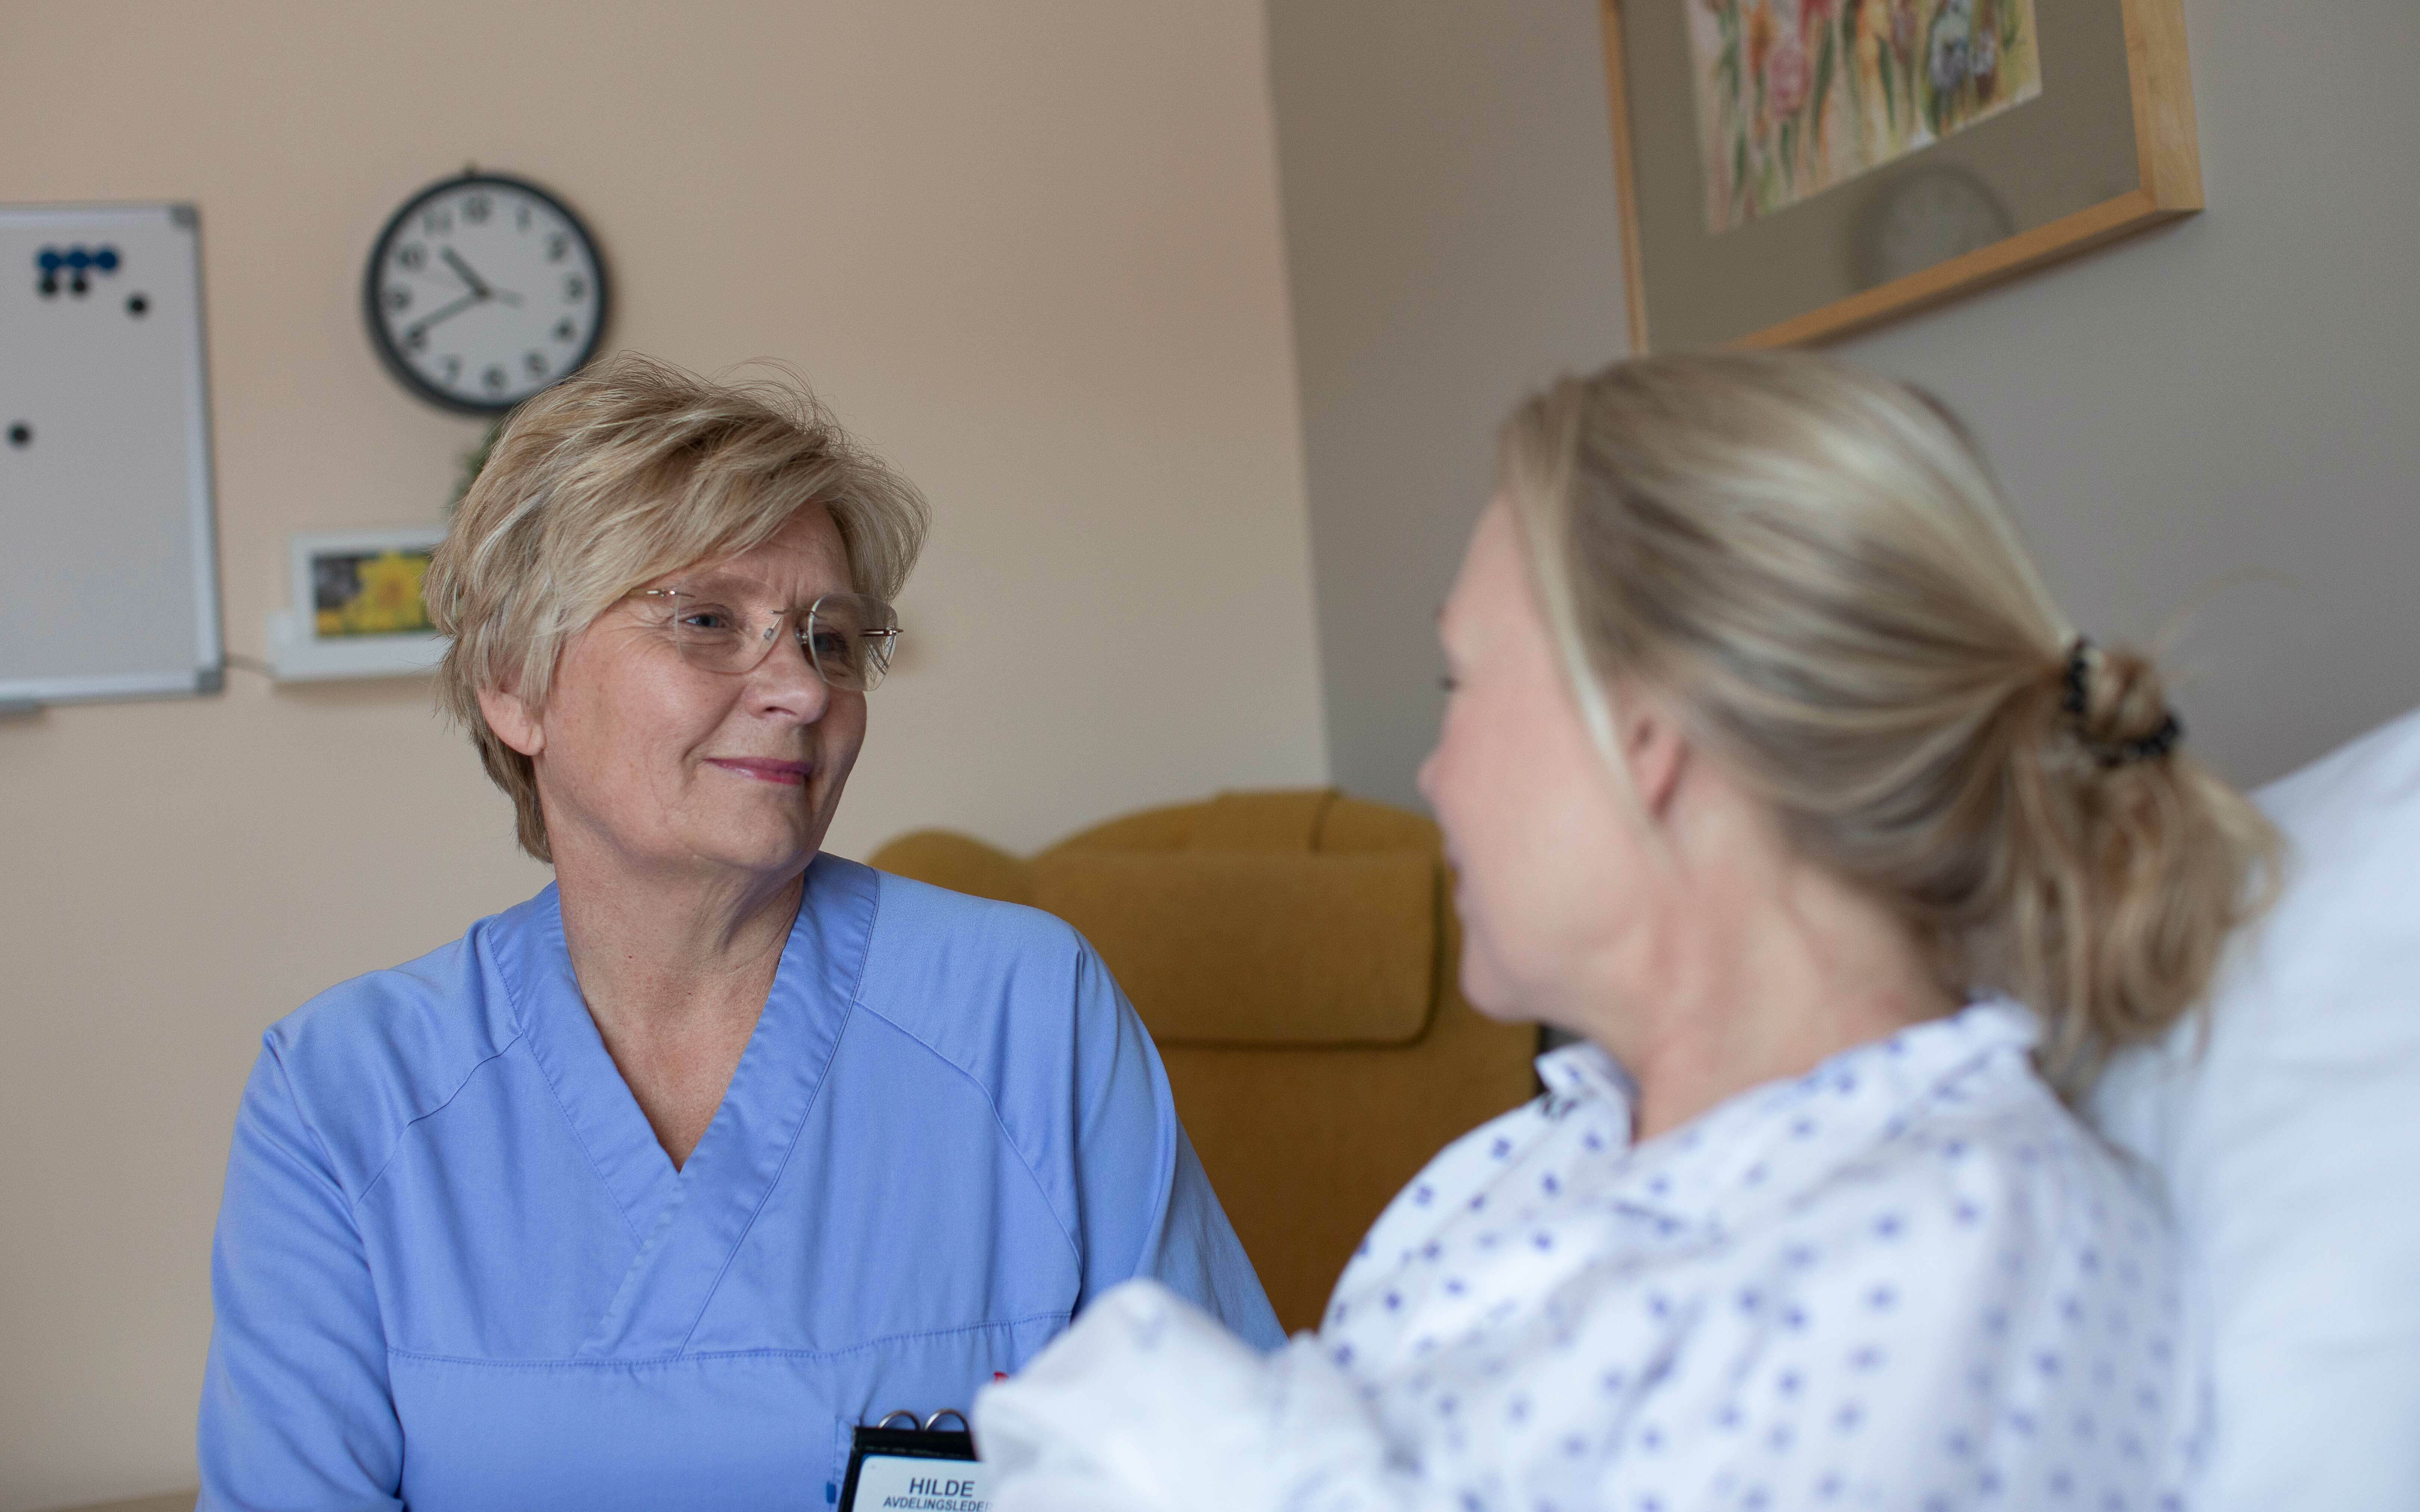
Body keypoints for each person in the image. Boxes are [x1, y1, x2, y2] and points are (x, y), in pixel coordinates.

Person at [975, 353, 2276, 1511]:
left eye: (1460, 682)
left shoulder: (1962, 1258)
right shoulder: (1522, 1164)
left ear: (1644, 735)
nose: (1429, 772)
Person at [197, 354, 1279, 1511]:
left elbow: (1246, 1475)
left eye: (830, 638)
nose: (804, 690)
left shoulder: (1027, 1010)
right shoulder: (342, 1092)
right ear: (515, 682)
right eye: (708, 619)